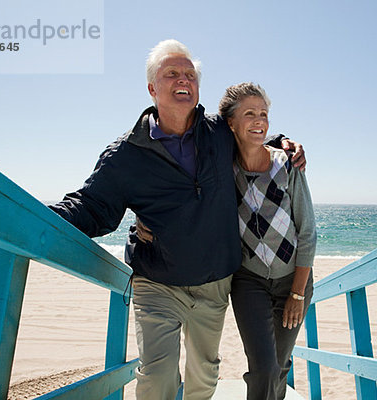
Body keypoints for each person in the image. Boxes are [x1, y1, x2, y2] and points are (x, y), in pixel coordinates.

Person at [49, 40, 305, 400]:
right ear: (153, 88)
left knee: (203, 377)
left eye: (189, 74)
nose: (182, 79)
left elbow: (252, 139)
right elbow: (91, 206)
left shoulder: (218, 133)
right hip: (157, 283)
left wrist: (284, 142)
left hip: (214, 282)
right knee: (157, 375)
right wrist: (40, 219)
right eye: (172, 73)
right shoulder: (126, 154)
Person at [219, 83, 316, 400]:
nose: (259, 120)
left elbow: (307, 232)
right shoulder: (223, 168)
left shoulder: (287, 164)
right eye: (250, 113)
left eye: (263, 113)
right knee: (264, 367)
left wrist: (298, 294)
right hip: (249, 280)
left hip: (294, 280)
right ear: (231, 122)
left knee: (280, 364)